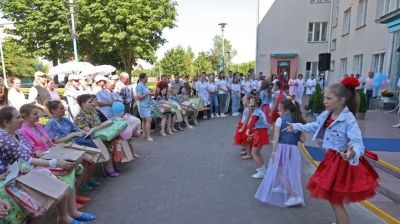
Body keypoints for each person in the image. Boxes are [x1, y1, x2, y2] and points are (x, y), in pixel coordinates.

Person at [284, 77, 379, 224]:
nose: (325, 101)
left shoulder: (348, 119)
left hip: (342, 162)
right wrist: (296, 126)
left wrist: (352, 151)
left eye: (329, 98)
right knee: (333, 199)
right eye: (324, 98)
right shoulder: (327, 114)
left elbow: (357, 141)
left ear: (341, 100)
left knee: (335, 200)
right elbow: (315, 126)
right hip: (331, 159)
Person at [0, 106, 96, 224]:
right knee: (58, 176)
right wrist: (54, 161)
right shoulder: (5, 137)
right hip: (12, 176)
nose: (21, 119)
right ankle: (66, 215)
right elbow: (27, 159)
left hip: (25, 168)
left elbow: (29, 152)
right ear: (6, 122)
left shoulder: (17, 133)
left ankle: (68, 214)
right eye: (18, 117)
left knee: (67, 170)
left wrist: (48, 153)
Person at [255, 99, 306, 207]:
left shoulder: (280, 120)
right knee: (285, 168)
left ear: (286, 110)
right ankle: (284, 187)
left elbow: (276, 137)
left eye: (280, 110)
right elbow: (302, 140)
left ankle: (295, 195)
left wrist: (273, 152)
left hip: (282, 148)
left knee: (277, 170)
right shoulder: (298, 119)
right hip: (294, 149)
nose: (278, 112)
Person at [246, 98, 269, 178]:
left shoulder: (256, 112)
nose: (249, 103)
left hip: (259, 133)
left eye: (251, 102)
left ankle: (262, 173)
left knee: (254, 153)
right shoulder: (258, 111)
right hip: (261, 133)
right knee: (257, 152)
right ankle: (262, 169)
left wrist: (247, 131)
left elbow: (251, 123)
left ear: (254, 105)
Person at [135, 73, 154, 141]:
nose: (147, 79)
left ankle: (145, 134)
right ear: (142, 78)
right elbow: (138, 97)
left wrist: (150, 93)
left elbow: (147, 94)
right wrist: (148, 93)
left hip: (147, 105)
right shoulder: (139, 86)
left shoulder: (145, 85)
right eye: (146, 77)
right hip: (143, 106)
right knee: (149, 120)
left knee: (144, 120)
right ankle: (148, 136)